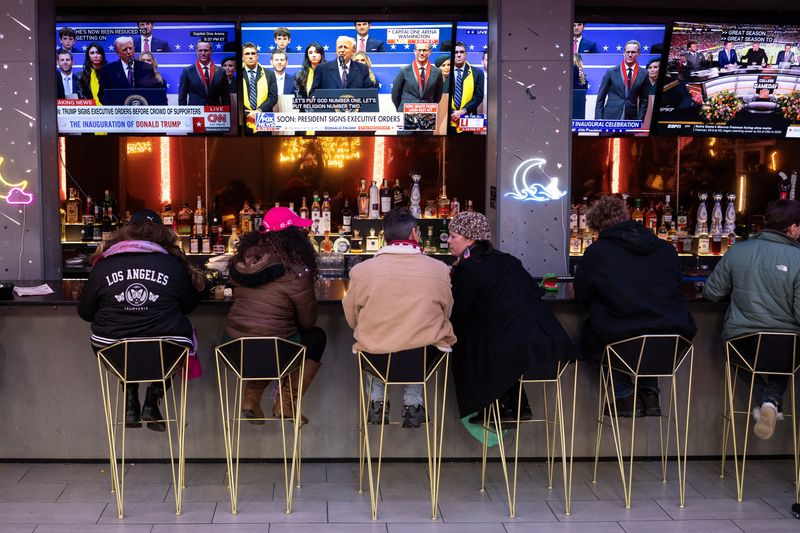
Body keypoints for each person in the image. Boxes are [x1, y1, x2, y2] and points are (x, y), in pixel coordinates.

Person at [77, 209, 204, 432]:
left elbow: (86, 312)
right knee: (167, 344)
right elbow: (189, 306)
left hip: (111, 347)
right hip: (166, 348)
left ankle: (131, 400)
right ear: (163, 234)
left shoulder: (103, 264)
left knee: (128, 348)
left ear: (125, 232)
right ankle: (152, 401)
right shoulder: (172, 264)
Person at [448, 211, 577, 422]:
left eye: (454, 236)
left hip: (511, 352)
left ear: (470, 239)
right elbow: (534, 293)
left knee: (469, 344)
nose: (449, 241)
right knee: (497, 344)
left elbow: (459, 313)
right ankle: (515, 403)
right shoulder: (508, 260)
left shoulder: (468, 269)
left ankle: (495, 406)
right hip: (547, 346)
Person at [574, 196, 696, 417]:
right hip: (672, 341)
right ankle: (650, 393)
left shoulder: (598, 252)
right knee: (650, 329)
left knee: (593, 339)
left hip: (622, 340)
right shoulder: (666, 249)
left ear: (599, 225)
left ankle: (625, 394)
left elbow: (581, 295)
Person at [343, 208, 456, 428]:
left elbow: (351, 317)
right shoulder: (439, 269)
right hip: (422, 357)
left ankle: (377, 398)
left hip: (377, 355)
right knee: (419, 342)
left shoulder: (362, 271)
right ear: (415, 233)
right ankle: (413, 401)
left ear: (384, 236)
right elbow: (447, 311)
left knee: (373, 341)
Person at [703, 200, 800, 440]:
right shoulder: (798, 259)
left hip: (741, 342)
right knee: (784, 357)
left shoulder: (738, 250)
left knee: (744, 361)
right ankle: (771, 400)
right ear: (792, 228)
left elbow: (712, 293)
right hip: (785, 346)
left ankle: (765, 399)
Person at [225, 207, 325, 425]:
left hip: (235, 348)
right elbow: (308, 323)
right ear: (293, 237)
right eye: (301, 232)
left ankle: (251, 399)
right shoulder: (296, 269)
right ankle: (286, 402)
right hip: (274, 349)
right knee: (315, 337)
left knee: (267, 341)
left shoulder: (241, 262)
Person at [594, 40, 649, 120]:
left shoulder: (644, 73)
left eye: (633, 52)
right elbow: (600, 98)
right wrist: (598, 119)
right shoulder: (611, 72)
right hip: (610, 118)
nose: (630, 55)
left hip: (631, 119)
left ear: (638, 53)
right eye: (628, 52)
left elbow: (644, 100)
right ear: (623, 53)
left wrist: (639, 120)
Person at [97, 36, 160, 103]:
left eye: (130, 48)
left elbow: (154, 93)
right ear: (117, 52)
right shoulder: (107, 70)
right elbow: (102, 95)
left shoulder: (147, 68)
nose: (129, 52)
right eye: (124, 49)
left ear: (134, 49)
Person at [391, 42, 443, 111]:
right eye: (419, 50)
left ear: (430, 52)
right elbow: (395, 95)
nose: (421, 53)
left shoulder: (437, 72)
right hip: (406, 112)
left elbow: (437, 96)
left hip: (427, 113)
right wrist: (402, 109)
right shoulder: (404, 70)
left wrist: (430, 107)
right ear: (415, 52)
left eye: (425, 50)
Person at [178, 40, 228, 106]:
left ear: (211, 52)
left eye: (206, 50)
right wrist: (184, 115)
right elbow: (182, 97)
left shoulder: (221, 71)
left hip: (215, 113)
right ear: (196, 51)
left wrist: (227, 114)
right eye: (200, 50)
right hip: (195, 113)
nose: (203, 53)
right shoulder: (187, 71)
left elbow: (226, 97)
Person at [449, 41, 485, 130]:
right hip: (448, 118)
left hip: (469, 118)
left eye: (461, 52)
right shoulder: (445, 72)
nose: (459, 55)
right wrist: (453, 113)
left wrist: (463, 111)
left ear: (466, 54)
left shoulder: (477, 73)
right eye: (456, 52)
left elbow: (478, 96)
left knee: (468, 143)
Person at [241, 42, 278, 120]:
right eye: (247, 54)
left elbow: (273, 97)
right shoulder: (237, 74)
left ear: (257, 56)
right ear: (242, 57)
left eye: (253, 53)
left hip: (265, 117)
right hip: (244, 116)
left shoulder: (269, 74)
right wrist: (248, 113)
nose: (250, 56)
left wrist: (259, 111)